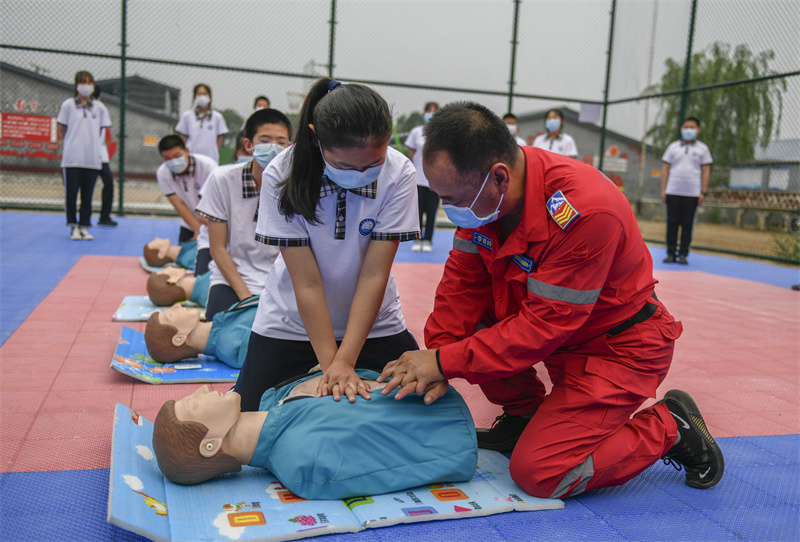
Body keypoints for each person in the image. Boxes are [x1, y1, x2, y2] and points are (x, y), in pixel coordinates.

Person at [377, 101, 724, 500]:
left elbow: (542, 328)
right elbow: (459, 291)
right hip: (557, 337)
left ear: (499, 178)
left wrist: (442, 363)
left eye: (453, 199)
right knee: (466, 332)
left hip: (616, 350)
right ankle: (524, 416)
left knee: (540, 474)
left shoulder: (586, 211)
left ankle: (670, 426)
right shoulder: (483, 203)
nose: (449, 210)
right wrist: (438, 359)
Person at [232, 78, 420, 412]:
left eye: (372, 165)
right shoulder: (282, 173)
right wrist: (332, 365)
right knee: (245, 414)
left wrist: (345, 361)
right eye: (347, 166)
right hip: (290, 322)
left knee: (422, 412)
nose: (362, 173)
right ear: (316, 135)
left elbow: (374, 273)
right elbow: (306, 281)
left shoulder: (400, 171)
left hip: (374, 323)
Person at [151, 370, 477, 499]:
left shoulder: (273, 399)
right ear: (211, 445)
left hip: (439, 387)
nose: (201, 390)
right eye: (192, 406)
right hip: (449, 423)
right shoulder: (302, 460)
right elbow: (390, 462)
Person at [195, 108, 290, 320]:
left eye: (281, 142)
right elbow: (218, 248)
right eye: (265, 140)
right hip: (232, 278)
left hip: (282, 280)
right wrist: (246, 298)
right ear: (249, 145)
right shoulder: (223, 179)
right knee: (220, 331)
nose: (274, 147)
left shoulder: (298, 186)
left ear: (290, 147)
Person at [57, 70, 111, 240]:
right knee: (71, 195)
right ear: (76, 85)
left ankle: (85, 226)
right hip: (72, 159)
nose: (85, 85)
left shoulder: (100, 107)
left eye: (88, 82)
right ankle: (73, 226)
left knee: (88, 196)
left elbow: (103, 131)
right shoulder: (68, 105)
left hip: (92, 159)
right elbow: (62, 129)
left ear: (93, 85)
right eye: (82, 82)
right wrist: (73, 142)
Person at [660, 117, 713, 265]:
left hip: (692, 193)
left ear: (698, 130)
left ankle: (683, 254)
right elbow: (665, 169)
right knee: (672, 224)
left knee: (687, 224)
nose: (688, 130)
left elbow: (706, 171)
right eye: (686, 127)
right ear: (682, 129)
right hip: (673, 191)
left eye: (692, 127)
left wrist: (703, 192)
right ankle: (670, 253)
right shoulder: (673, 147)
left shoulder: (703, 149)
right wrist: (664, 190)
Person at [145, 299, 257, 368]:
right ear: (178, 339)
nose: (177, 306)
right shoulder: (232, 348)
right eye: (171, 314)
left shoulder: (225, 317)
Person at [156, 135, 217, 243]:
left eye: (177, 156)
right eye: (167, 158)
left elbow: (209, 202)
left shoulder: (208, 166)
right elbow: (179, 205)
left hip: (212, 221)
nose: (173, 161)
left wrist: (203, 230)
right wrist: (196, 228)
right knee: (183, 255)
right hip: (189, 222)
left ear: (187, 151)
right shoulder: (163, 173)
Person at [405, 102, 440, 252]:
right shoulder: (416, 131)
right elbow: (411, 153)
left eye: (434, 112)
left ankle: (428, 240)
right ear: (424, 113)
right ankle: (417, 239)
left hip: (435, 181)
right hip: (419, 179)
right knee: (418, 212)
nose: (431, 115)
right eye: (429, 112)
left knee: (431, 213)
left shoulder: (442, 133)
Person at [175, 84, 229, 164]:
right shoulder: (187, 116)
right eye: (199, 94)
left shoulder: (217, 117)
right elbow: (184, 137)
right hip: (192, 155)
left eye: (204, 94)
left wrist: (215, 151)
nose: (202, 97)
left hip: (211, 157)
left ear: (210, 96)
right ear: (194, 97)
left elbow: (219, 137)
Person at [93, 85, 117, 226]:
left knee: (108, 183)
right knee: (86, 186)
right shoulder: (72, 106)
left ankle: (104, 216)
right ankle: (80, 220)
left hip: (100, 155)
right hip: (84, 154)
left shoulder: (100, 107)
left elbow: (104, 133)